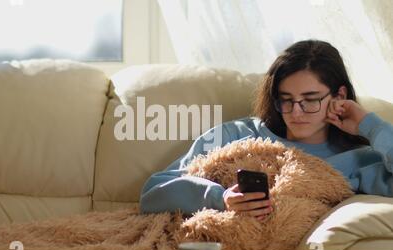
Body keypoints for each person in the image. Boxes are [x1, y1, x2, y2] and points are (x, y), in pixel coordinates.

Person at [140, 40, 393, 221]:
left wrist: (370, 126)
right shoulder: (234, 135)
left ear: (339, 95)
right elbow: (153, 192)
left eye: (310, 99)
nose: (295, 112)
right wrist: (220, 197)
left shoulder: (359, 159)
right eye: (286, 99)